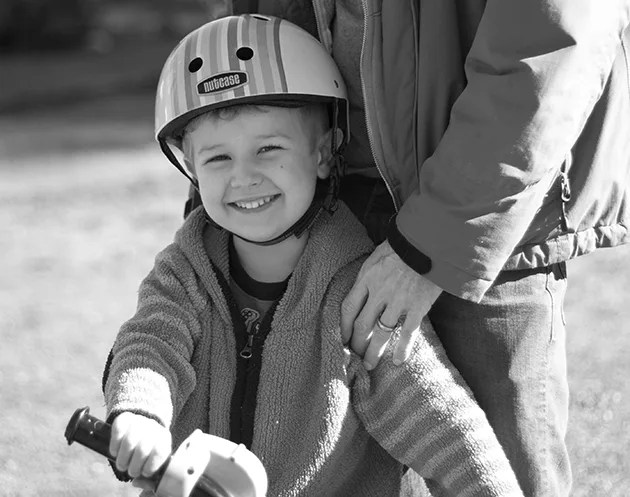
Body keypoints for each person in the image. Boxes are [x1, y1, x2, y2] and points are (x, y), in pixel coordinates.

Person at [184, 2, 630, 496]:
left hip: (486, 209)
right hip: (323, 197)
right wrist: (220, 216)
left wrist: (432, 243)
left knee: (500, 469)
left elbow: (547, 47)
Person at [102, 15, 524, 497]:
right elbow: (150, 345)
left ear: (324, 153)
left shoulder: (356, 295)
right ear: (192, 170)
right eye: (218, 158)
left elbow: (440, 421)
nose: (244, 177)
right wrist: (140, 414)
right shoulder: (184, 272)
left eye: (268, 148)